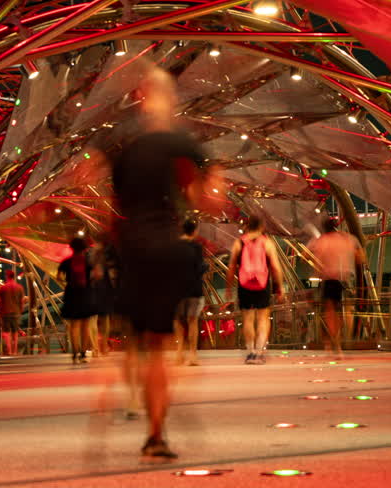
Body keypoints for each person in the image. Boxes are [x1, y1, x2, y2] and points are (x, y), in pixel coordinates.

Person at [111, 65, 216, 459]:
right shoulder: (181, 143)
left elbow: (117, 208)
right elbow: (204, 199)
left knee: (139, 344)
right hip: (166, 246)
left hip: (133, 249)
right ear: (168, 98)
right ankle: (156, 433)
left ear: (139, 97)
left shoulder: (124, 148)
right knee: (158, 346)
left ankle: (137, 403)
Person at [229, 215, 286, 364]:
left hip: (244, 284)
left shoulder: (239, 242)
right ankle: (259, 352)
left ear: (247, 226)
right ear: (261, 227)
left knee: (247, 319)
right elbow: (275, 267)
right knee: (263, 318)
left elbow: (231, 267)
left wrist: (229, 286)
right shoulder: (267, 243)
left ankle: (251, 352)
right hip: (262, 283)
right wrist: (280, 286)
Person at [308, 216, 364, 357]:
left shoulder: (321, 241)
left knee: (330, 312)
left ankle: (335, 342)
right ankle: (347, 337)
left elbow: (307, 255)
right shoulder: (348, 239)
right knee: (347, 310)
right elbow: (361, 258)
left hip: (329, 280)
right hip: (346, 279)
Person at [172, 219, 207, 366]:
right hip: (194, 289)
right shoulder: (197, 247)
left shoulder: (174, 247)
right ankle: (193, 355)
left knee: (178, 321)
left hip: (177, 289)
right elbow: (200, 267)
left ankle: (179, 353)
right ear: (194, 231)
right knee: (193, 321)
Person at [58, 236, 97, 364]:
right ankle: (83, 354)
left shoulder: (66, 262)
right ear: (85, 248)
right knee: (85, 325)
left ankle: (74, 353)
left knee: (74, 325)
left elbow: (59, 277)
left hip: (71, 294)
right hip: (86, 294)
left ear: (71, 248)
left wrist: (67, 284)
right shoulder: (89, 262)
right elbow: (97, 275)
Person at [0, 270, 25, 356]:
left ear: (7, 276)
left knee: (7, 332)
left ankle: (9, 350)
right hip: (16, 312)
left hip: (5, 312)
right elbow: (21, 301)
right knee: (15, 332)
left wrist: (0, 311)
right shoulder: (19, 287)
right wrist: (20, 310)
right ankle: (15, 350)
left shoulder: (3, 288)